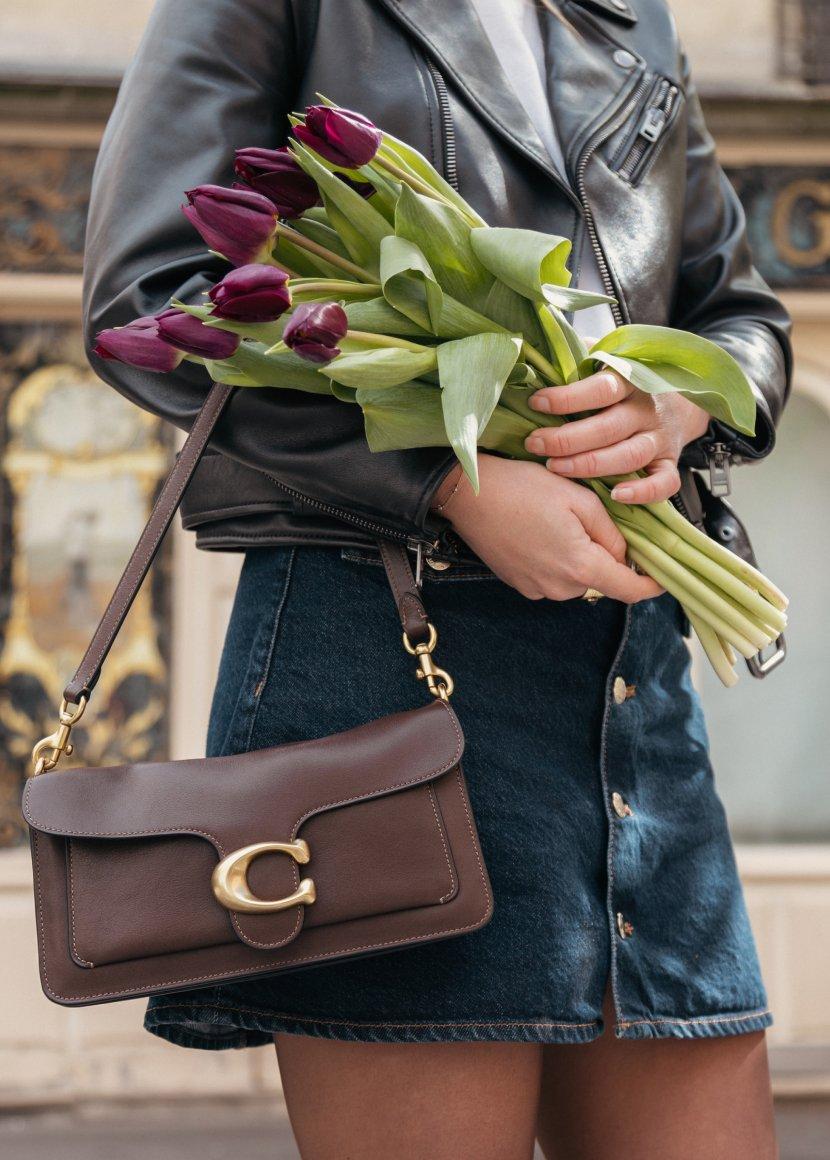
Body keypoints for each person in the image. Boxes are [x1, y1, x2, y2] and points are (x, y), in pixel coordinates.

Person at [83, 1, 791, 1157]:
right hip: (386, 650)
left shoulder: (625, 13)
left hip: (627, 682)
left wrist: (674, 399)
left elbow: (741, 317)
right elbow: (151, 299)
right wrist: (447, 482)